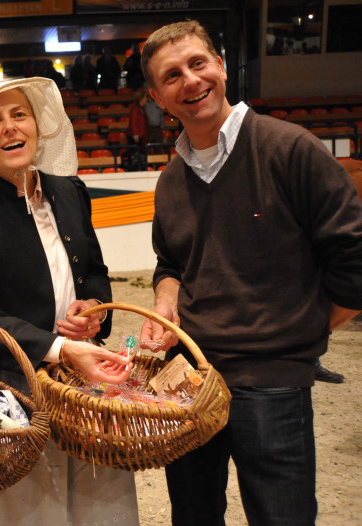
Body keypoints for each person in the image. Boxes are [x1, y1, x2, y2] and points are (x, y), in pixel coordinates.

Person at [138, 21, 362, 526]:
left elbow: (353, 259)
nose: (190, 81)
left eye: (197, 64)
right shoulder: (171, 179)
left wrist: (309, 330)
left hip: (272, 383)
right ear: (159, 97)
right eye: (172, 76)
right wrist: (165, 301)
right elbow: (171, 263)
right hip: (189, 384)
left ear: (220, 64)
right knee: (193, 516)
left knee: (281, 517)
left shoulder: (290, 148)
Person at [0, 77, 138, 526]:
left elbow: (96, 271)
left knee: (97, 505)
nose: (9, 128)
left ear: (39, 126)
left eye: (18, 115)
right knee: (27, 511)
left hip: (84, 386)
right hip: (8, 392)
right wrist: (60, 348)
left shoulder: (69, 190)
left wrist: (94, 308)